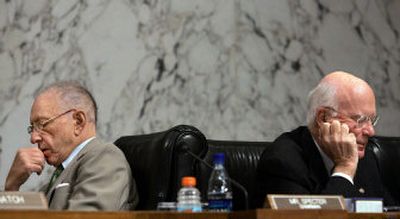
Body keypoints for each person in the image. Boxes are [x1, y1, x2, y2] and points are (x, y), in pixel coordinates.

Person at [256, 71, 397, 207]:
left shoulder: (366, 160)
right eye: (360, 120)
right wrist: (345, 169)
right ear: (323, 118)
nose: (370, 131)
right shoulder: (283, 162)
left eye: (372, 120)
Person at [4, 81, 138, 210]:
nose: (33, 138)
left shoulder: (105, 159)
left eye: (42, 124)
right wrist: (12, 187)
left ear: (78, 122)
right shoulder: (61, 173)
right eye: (32, 128)